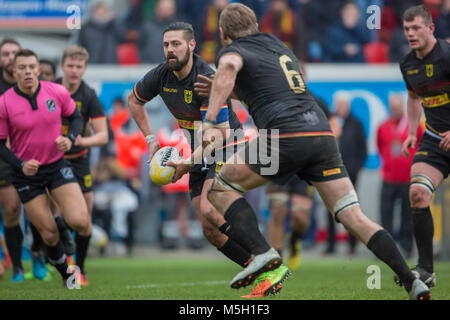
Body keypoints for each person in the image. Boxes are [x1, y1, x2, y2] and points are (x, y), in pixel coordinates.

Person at [172, 3, 431, 300]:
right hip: (321, 135)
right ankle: (412, 281)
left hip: (283, 135)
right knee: (354, 216)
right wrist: (223, 89)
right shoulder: (277, 46)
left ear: (222, 32)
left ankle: (262, 253)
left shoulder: (233, 50)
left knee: (221, 188)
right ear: (256, 24)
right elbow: (261, 87)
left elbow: (230, 67)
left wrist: (208, 120)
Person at [129, 22, 289, 298]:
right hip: (198, 150)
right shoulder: (160, 75)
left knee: (208, 206)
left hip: (226, 144)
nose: (170, 49)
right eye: (166, 44)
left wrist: (187, 163)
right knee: (209, 230)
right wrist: (151, 140)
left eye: (176, 44)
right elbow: (134, 101)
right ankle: (264, 271)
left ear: (191, 45)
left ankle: (266, 253)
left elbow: (218, 136)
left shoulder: (205, 79)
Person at [0, 49, 90, 288]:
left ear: (38, 70)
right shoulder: (5, 102)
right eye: (22, 68)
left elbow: (77, 118)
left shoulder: (56, 91)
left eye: (32, 67)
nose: (28, 72)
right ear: (14, 71)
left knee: (80, 221)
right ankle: (67, 276)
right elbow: (0, 145)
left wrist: (70, 138)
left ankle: (62, 225)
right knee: (48, 234)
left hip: (57, 165)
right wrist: (20, 164)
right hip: (26, 174)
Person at [395, 4, 450, 289]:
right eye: (406, 29)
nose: (411, 33)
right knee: (417, 193)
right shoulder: (407, 64)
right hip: (434, 137)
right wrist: (412, 131)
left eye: (416, 27)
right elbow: (414, 97)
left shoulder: (447, 55)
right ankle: (426, 269)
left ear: (431, 28)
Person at [54, 45, 108, 285]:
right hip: (52, 161)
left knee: (84, 220)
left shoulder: (88, 95)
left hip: (79, 161)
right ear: (62, 66)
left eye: (79, 67)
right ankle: (56, 259)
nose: (74, 71)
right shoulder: (49, 89)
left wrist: (81, 140)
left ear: (85, 69)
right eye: (70, 66)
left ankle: (80, 269)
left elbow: (103, 136)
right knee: (54, 217)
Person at [377, 94, 424, 259]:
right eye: (392, 107)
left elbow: (421, 146)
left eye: (397, 107)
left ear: (402, 107)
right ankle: (386, 249)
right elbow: (380, 147)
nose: (394, 110)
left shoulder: (413, 127)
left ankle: (406, 248)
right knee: (386, 214)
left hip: (407, 178)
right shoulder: (383, 127)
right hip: (389, 178)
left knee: (407, 216)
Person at [324, 91, 366, 255]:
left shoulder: (356, 124)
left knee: (351, 208)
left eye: (344, 105)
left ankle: (352, 245)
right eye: (339, 104)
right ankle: (331, 246)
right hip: (330, 172)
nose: (341, 108)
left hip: (350, 173)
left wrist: (355, 169)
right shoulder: (329, 122)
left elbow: (362, 150)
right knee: (330, 208)